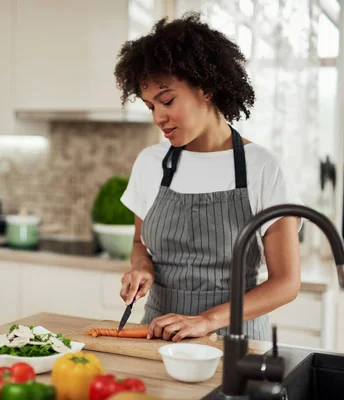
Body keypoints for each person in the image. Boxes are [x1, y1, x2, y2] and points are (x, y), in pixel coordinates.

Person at [114, 13, 303, 342]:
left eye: (167, 100)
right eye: (150, 107)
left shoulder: (263, 167)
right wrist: (141, 267)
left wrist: (206, 320)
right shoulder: (150, 163)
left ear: (208, 89)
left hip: (235, 344)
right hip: (158, 338)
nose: (159, 117)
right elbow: (138, 244)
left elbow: (286, 282)